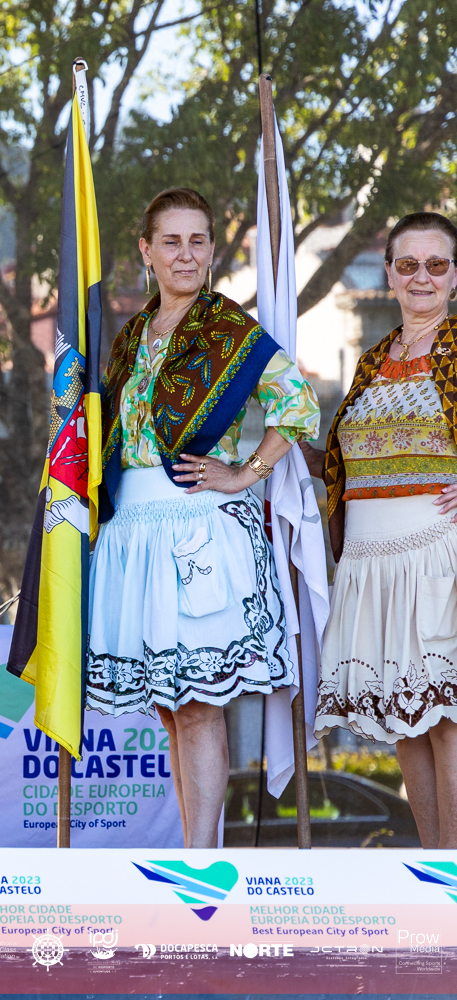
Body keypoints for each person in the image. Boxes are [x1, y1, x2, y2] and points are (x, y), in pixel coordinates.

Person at [87, 187, 319, 849]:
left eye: (197, 241)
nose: (185, 254)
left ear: (213, 250)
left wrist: (245, 472)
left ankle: (198, 865)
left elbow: (297, 403)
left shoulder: (229, 327)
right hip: (134, 532)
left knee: (195, 704)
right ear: (146, 251)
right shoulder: (131, 336)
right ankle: (196, 852)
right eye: (171, 241)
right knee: (169, 708)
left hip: (196, 530)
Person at [304, 211, 457, 848]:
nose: (422, 277)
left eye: (437, 264)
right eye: (408, 264)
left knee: (447, 720)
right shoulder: (370, 363)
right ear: (388, 274)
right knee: (407, 726)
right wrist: (278, 453)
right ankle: (437, 875)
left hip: (437, 554)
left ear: (455, 275)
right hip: (370, 561)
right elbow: (345, 464)